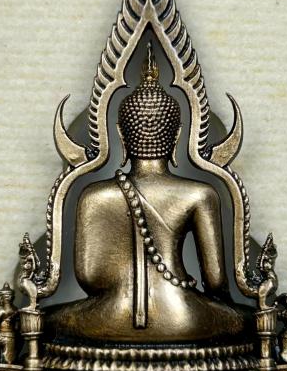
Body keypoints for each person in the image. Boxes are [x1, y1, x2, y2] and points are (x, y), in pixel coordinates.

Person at [44, 43, 246, 344]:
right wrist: (224, 307)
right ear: (178, 136)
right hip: (184, 317)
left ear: (121, 135)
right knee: (248, 321)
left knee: (44, 321)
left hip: (108, 317)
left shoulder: (93, 196)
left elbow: (89, 276)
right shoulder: (200, 194)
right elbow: (215, 282)